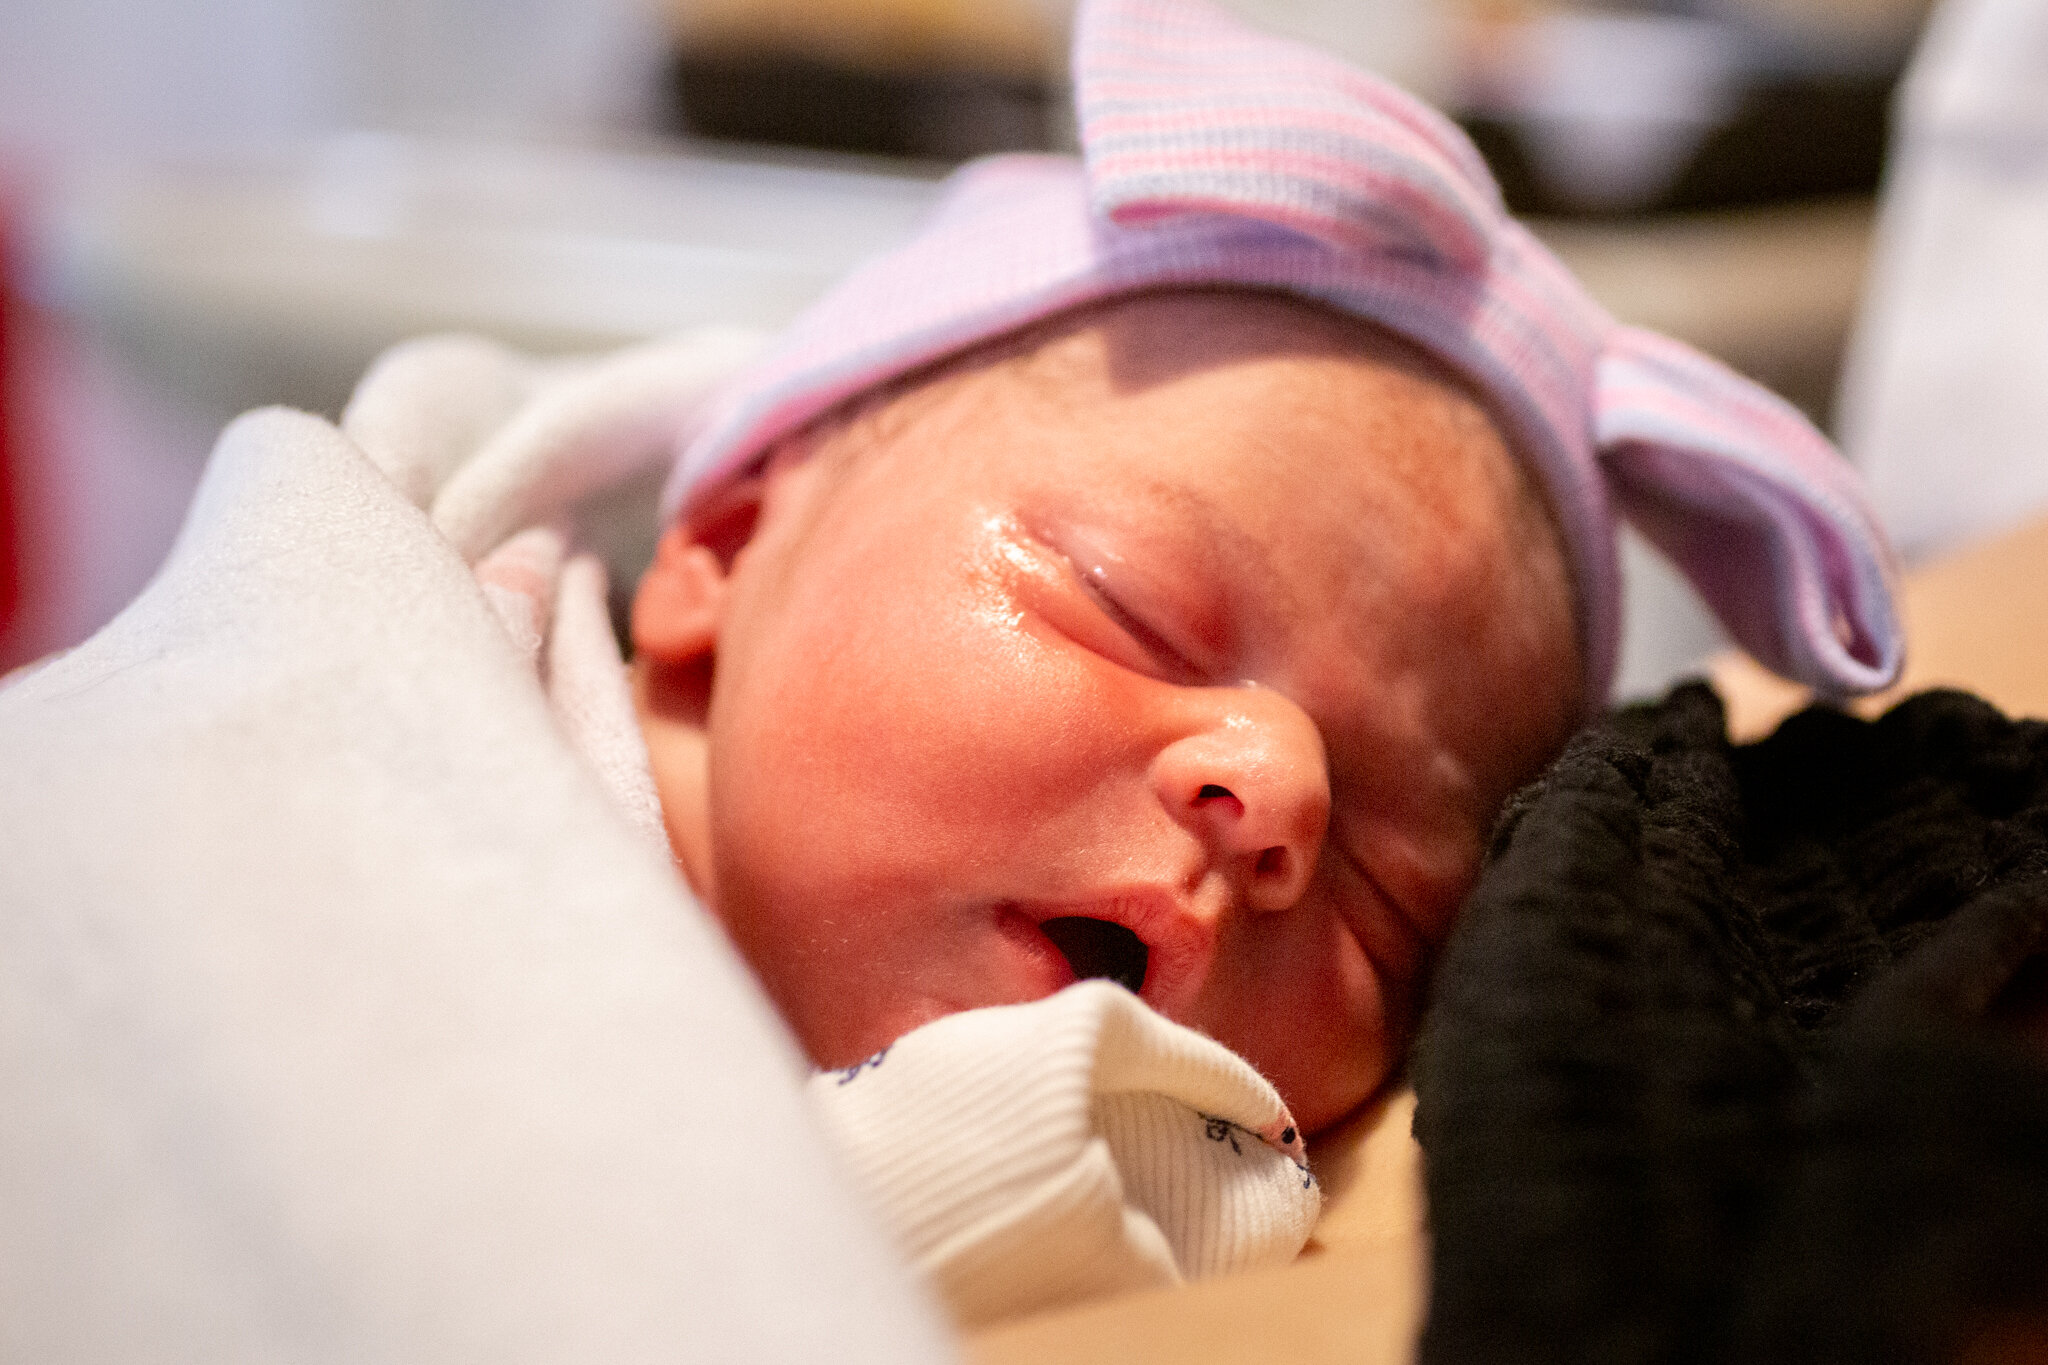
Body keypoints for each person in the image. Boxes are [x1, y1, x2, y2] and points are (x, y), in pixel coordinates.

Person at [0, 0, 1904, 1354]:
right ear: (721, 551)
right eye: (1131, 609)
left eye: (1398, 904)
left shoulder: (1163, 1196)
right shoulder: (353, 706)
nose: (1280, 794)